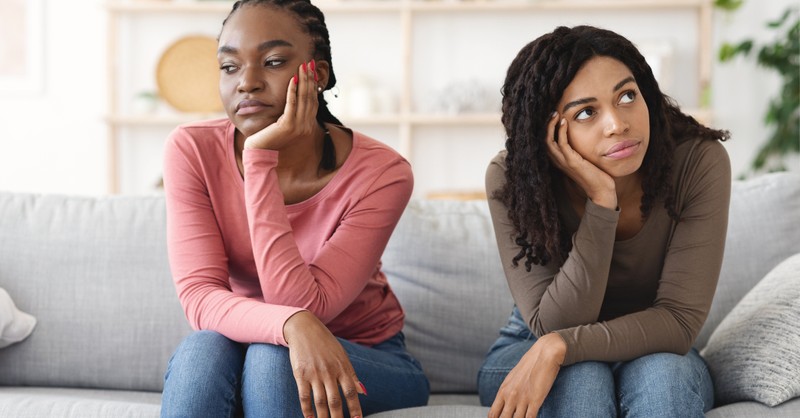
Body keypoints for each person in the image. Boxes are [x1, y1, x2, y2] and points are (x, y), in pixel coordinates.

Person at [159, 1, 429, 417]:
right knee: (202, 350)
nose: (247, 82)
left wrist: (260, 157)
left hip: (366, 355)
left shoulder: (382, 173)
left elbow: (307, 304)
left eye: (272, 61)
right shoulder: (191, 150)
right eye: (229, 67)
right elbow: (200, 297)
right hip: (250, 339)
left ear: (316, 74)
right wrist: (289, 324)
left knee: (273, 361)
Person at [478, 25, 731, 418]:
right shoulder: (513, 179)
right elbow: (552, 326)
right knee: (582, 377)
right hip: (533, 341)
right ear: (548, 132)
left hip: (652, 342)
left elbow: (679, 322)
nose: (617, 123)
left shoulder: (697, 162)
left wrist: (565, 345)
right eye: (586, 112)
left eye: (627, 96)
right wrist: (601, 202)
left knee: (665, 377)